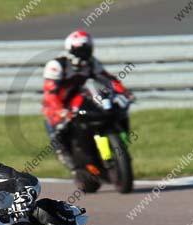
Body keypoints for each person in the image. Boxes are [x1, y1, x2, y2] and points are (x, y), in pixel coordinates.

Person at [42, 30, 134, 192]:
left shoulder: (91, 63)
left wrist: (125, 93)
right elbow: (50, 94)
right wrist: (62, 112)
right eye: (80, 49)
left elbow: (108, 79)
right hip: (58, 107)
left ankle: (113, 151)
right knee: (58, 136)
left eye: (87, 48)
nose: (84, 53)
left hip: (81, 103)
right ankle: (75, 168)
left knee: (113, 112)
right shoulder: (57, 66)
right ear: (70, 49)